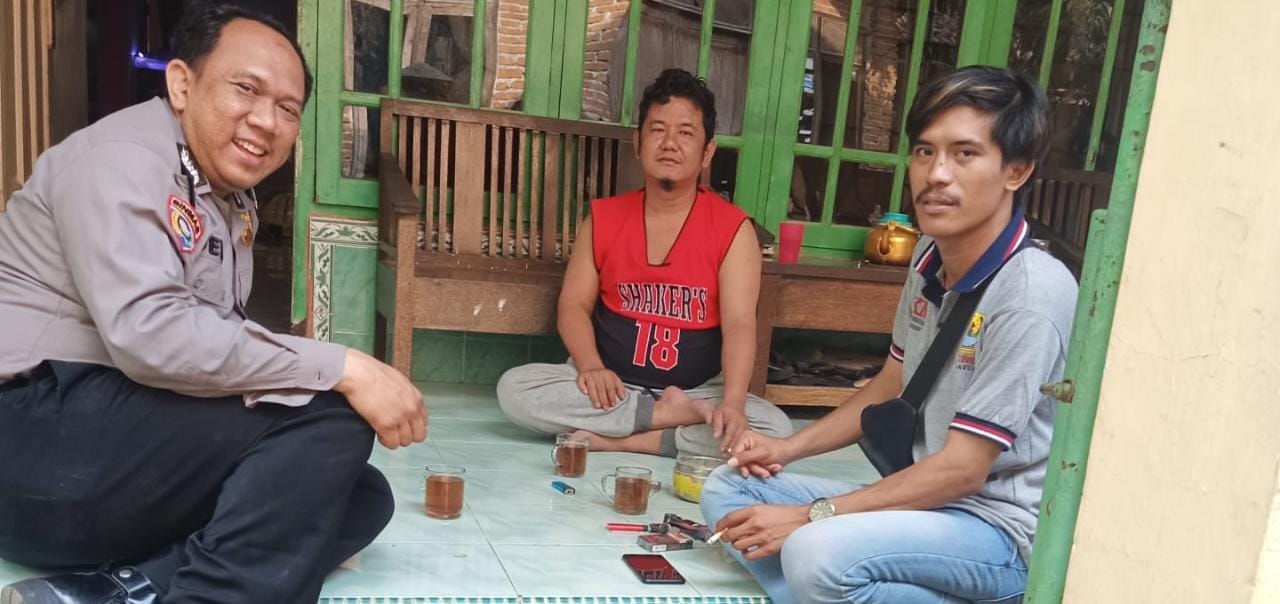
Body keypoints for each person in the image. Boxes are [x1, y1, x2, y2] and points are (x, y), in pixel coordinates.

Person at [0, 5, 427, 603]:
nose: (266, 121)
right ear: (182, 84)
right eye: (246, 89)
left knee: (356, 492)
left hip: (99, 448)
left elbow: (210, 344)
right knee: (327, 417)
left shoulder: (223, 196)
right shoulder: (121, 158)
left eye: (288, 109)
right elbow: (153, 337)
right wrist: (342, 366)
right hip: (31, 439)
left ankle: (122, 587)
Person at [699, 66, 1077, 604]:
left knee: (815, 551)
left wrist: (813, 516)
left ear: (1015, 171)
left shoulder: (1031, 291)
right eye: (925, 151)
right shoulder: (928, 255)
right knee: (732, 487)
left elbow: (963, 470)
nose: (936, 174)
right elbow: (890, 384)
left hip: (997, 531)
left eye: (964, 154)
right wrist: (786, 448)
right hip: (924, 502)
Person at [496, 69, 792, 459]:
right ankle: (664, 419)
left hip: (697, 391)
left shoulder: (734, 230)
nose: (670, 144)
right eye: (658, 130)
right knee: (515, 389)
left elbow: (739, 324)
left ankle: (621, 438)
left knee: (774, 429)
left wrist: (734, 403)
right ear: (638, 142)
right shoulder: (603, 218)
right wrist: (591, 366)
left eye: (685, 133)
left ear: (707, 152)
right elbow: (573, 304)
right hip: (610, 387)